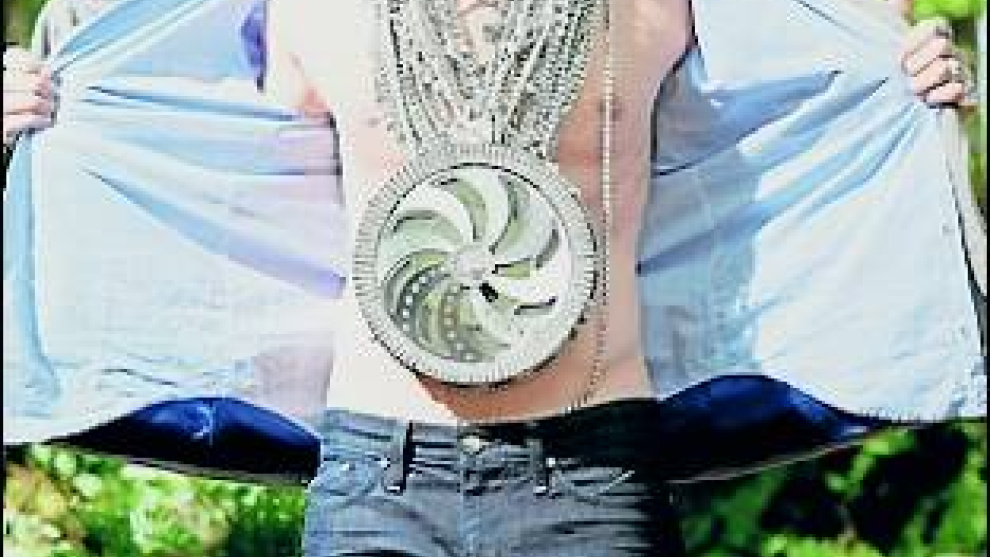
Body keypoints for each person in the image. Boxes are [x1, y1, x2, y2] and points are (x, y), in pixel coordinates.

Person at [3, 0, 985, 555]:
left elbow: (799, 102)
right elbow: (202, 151)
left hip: (592, 475)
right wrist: (48, 114)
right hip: (377, 476)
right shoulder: (313, 7)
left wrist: (905, 81)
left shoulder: (661, 5)